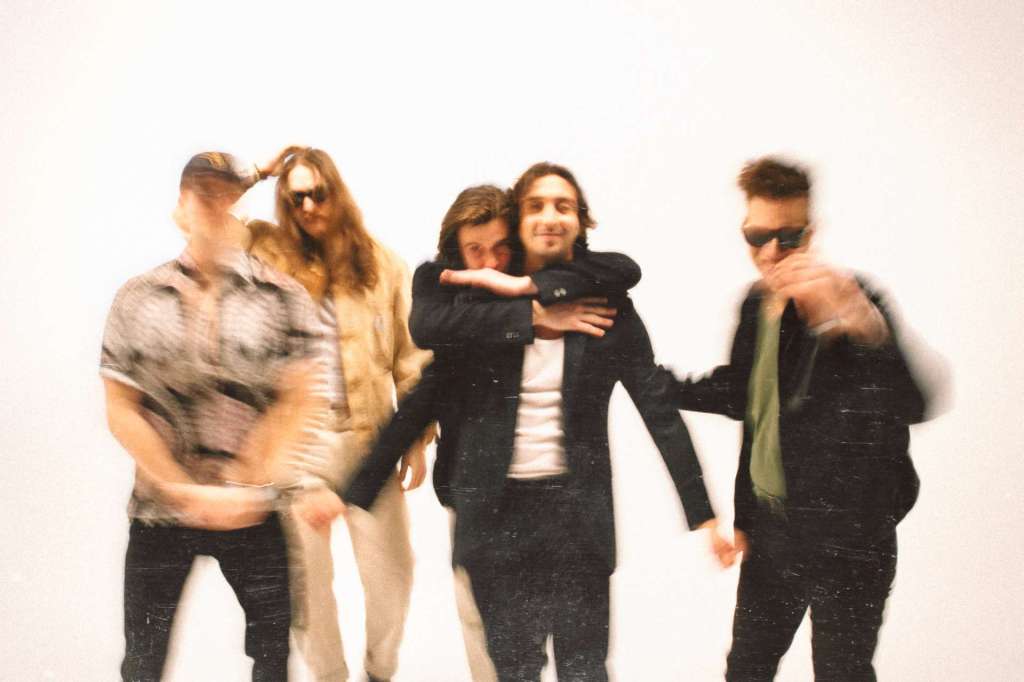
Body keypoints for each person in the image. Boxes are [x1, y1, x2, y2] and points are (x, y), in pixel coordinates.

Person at [351, 162, 728, 681]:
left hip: (577, 517)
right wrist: (359, 487)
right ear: (518, 220)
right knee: (514, 670)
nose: (549, 216)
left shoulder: (607, 306)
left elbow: (656, 407)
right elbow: (425, 397)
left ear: (580, 220)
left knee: (584, 670)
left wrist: (703, 512)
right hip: (496, 518)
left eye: (563, 206)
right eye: (536, 206)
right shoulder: (482, 311)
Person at [670, 157, 929, 680]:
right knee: (747, 669)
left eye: (787, 237)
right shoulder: (755, 305)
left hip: (851, 544)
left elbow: (913, 403)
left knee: (841, 672)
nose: (770, 252)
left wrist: (857, 319)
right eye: (756, 236)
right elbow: (744, 395)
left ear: (811, 232)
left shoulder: (856, 298)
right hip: (773, 537)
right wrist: (656, 384)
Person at [101, 152, 337, 681]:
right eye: (201, 194)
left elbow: (302, 398)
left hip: (253, 510)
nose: (213, 207)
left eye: (225, 196)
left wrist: (245, 482)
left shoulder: (283, 297)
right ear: (180, 207)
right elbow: (121, 408)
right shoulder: (138, 297)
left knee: (272, 656)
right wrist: (182, 490)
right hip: (160, 512)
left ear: (239, 208)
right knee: (142, 660)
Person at [247, 147, 430, 682]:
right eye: (295, 197)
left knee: (393, 574)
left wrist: (417, 438)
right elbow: (203, 218)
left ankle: (379, 672)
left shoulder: (383, 263)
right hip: (299, 447)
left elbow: (411, 360)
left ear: (337, 191)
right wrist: (257, 173)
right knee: (306, 586)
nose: (307, 206)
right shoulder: (268, 253)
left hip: (371, 440)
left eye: (317, 193)